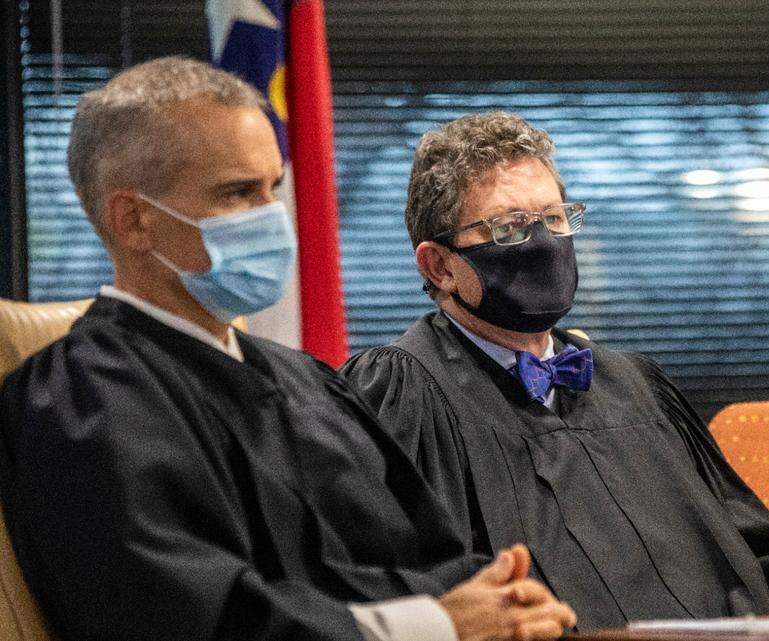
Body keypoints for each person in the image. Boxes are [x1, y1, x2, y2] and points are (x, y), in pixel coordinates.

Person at [0, 57, 575, 641]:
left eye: (272, 187)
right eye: (238, 192)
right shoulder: (80, 399)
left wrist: (506, 600)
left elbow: (429, 555)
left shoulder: (306, 381)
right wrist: (438, 625)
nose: (273, 216)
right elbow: (183, 619)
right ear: (134, 220)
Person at [340, 111, 769, 629]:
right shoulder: (402, 394)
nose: (543, 244)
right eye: (509, 228)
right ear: (439, 266)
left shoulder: (636, 387)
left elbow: (746, 559)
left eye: (555, 219)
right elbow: (400, 599)